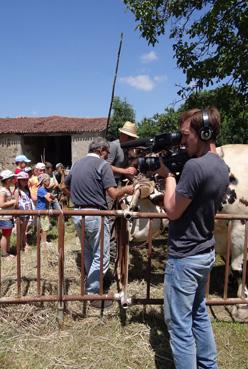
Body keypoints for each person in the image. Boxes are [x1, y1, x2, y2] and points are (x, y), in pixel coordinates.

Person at [158, 107, 229, 369]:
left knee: (179, 325)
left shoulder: (195, 168)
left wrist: (169, 177)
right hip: (204, 252)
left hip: (185, 257)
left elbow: (172, 210)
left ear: (204, 133)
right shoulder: (221, 166)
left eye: (186, 134)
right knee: (199, 314)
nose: (182, 139)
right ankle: (209, 366)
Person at [64, 137, 134, 308]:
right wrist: (126, 189)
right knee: (101, 255)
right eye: (107, 152)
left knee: (88, 251)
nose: (107, 156)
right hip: (95, 214)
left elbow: (64, 187)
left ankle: (94, 282)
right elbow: (113, 194)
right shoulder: (103, 166)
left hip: (77, 213)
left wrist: (76, 197)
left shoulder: (76, 164)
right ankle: (93, 293)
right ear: (101, 150)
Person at [0, 170, 19, 257]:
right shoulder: (3, 190)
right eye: (12, 178)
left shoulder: (7, 189)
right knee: (5, 235)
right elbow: (1, 204)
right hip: (5, 217)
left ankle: (7, 251)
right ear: (7, 180)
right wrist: (13, 201)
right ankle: (4, 254)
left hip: (9, 216)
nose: (13, 179)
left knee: (8, 234)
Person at [15, 171, 34, 251]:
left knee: (24, 230)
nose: (25, 181)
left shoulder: (26, 190)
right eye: (23, 180)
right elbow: (16, 204)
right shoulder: (17, 191)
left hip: (27, 213)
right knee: (20, 231)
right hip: (21, 214)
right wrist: (17, 215)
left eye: (26, 180)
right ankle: (20, 246)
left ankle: (24, 244)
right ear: (19, 180)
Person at [36, 173, 55, 247]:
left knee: (44, 225)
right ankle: (44, 242)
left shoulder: (44, 189)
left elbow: (50, 196)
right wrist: (51, 196)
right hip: (42, 210)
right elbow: (49, 199)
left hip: (44, 209)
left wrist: (51, 195)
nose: (49, 183)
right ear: (44, 181)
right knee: (45, 226)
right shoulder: (41, 190)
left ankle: (43, 241)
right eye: (48, 181)